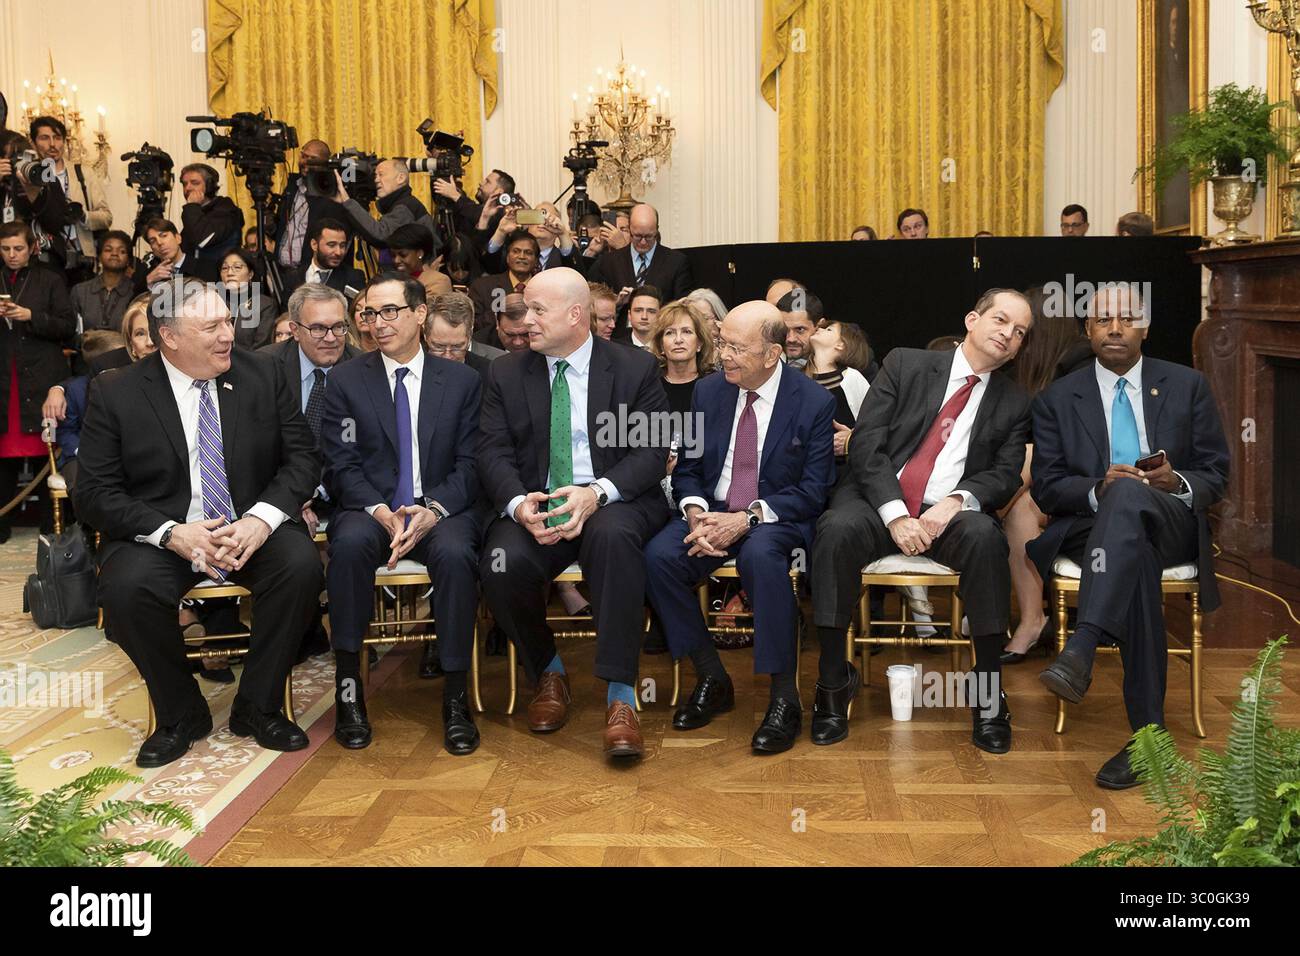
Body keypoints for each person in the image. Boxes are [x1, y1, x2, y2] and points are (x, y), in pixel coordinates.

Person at [74, 277, 323, 767]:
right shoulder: (117, 391)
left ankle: (258, 704)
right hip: (163, 534)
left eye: (228, 321)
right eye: (211, 326)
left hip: (248, 525)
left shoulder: (263, 374)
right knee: (124, 590)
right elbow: (95, 494)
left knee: (300, 568)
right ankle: (181, 712)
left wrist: (260, 520)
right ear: (169, 336)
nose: (228, 334)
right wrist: (171, 534)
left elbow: (303, 461)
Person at [810, 289, 1034, 752]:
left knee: (985, 538)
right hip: (879, 500)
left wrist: (957, 500)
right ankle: (833, 682)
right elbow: (867, 445)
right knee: (835, 530)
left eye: (1019, 332)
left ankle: (988, 692)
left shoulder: (1014, 400)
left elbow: (1004, 474)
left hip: (946, 512)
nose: (1008, 334)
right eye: (1000, 319)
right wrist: (894, 515)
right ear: (972, 320)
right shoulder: (906, 364)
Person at [1031, 285, 1229, 789]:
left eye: (1126, 319)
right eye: (1102, 320)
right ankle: (1150, 739)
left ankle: (1085, 641)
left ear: (1144, 328)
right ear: (1087, 331)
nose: (1114, 328)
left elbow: (1216, 473)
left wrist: (1176, 482)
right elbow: (1050, 486)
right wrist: (1100, 488)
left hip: (1171, 523)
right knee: (1126, 525)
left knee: (1132, 504)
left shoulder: (1188, 385)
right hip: (1091, 528)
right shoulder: (1058, 396)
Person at [477, 267, 671, 759]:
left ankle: (621, 693)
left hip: (613, 499)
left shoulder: (634, 369)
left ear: (576, 315)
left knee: (613, 540)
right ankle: (548, 671)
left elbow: (650, 453)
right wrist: (520, 506)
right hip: (537, 501)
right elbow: (491, 452)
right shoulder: (505, 370)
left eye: (538, 310)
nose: (527, 320)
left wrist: (596, 493)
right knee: (500, 562)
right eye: (525, 308)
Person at [645, 301, 836, 752]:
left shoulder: (813, 402)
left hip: (773, 516)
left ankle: (784, 697)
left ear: (772, 354)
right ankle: (712, 675)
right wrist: (694, 512)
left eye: (736, 347)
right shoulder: (709, 392)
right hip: (711, 509)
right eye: (722, 342)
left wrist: (746, 518)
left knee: (761, 556)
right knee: (657, 557)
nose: (722, 355)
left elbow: (813, 492)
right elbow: (688, 467)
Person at [321, 272, 484, 755]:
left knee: (457, 555)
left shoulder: (462, 381)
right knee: (347, 546)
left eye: (390, 311)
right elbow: (340, 462)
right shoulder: (348, 380)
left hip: (441, 509)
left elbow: (472, 464)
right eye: (371, 313)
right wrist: (379, 509)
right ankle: (349, 688)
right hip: (370, 507)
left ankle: (455, 696)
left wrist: (432, 510)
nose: (378, 323)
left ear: (419, 314)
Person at [998, 288, 1093, 663]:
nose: (1011, 334)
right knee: (1016, 504)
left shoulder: (1081, 364)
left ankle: (987, 513)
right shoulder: (1015, 372)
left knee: (1009, 495)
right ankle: (1030, 618)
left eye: (1021, 328)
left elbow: (1064, 447)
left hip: (1079, 480)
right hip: (1035, 484)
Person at [0, 221, 77, 541]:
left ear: (32, 247)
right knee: (3, 456)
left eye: (18, 248)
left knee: (49, 451)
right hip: (5, 375)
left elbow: (68, 325)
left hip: (43, 375)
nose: (12, 255)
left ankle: (53, 525)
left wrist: (31, 316)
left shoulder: (50, 279)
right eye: (5, 249)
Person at [29, 116, 112, 285]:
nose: (52, 144)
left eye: (58, 138)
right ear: (33, 143)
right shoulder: (29, 177)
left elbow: (106, 217)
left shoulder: (83, 173)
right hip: (44, 260)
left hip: (82, 259)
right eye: (44, 138)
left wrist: (82, 216)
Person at [586, 203, 693, 308]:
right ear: (630, 229)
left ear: (656, 230)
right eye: (637, 236)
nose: (643, 242)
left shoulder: (676, 262)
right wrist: (616, 303)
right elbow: (591, 301)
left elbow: (682, 308)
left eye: (649, 236)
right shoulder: (608, 262)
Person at [274, 140, 351, 273]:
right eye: (304, 156)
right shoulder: (292, 186)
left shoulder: (332, 194)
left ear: (326, 163)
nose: (306, 162)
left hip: (312, 273)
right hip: (282, 272)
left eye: (313, 159)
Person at [805, 318, 871, 467]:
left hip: (845, 469)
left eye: (828, 330)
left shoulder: (852, 377)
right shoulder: (798, 378)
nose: (819, 329)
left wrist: (852, 438)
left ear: (840, 345)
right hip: (807, 466)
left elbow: (874, 422)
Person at [0, 131, 70, 269]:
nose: (18, 164)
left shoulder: (44, 177)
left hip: (44, 262)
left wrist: (35, 193)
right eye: (12, 158)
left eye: (23, 157)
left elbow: (56, 224)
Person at [335, 159, 435, 251]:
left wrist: (347, 201)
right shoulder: (399, 204)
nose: (376, 180)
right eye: (375, 176)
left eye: (381, 175)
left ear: (401, 178)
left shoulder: (406, 206)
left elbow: (381, 235)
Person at [468, 229, 539, 330]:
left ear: (536, 260)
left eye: (528, 253)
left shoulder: (544, 289)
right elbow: (471, 325)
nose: (522, 256)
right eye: (516, 251)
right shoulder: (483, 286)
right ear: (507, 257)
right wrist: (501, 311)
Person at [282, 218, 366, 300]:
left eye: (342, 245)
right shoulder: (293, 277)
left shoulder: (353, 277)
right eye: (331, 245)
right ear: (314, 244)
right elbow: (286, 312)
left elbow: (357, 310)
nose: (339, 252)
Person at [179, 163, 244, 266]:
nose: (187, 188)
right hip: (195, 279)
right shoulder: (195, 213)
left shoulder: (226, 210)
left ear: (209, 186)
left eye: (194, 183)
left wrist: (192, 206)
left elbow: (202, 239)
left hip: (221, 278)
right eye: (184, 184)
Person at [71, 230, 134, 332]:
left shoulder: (134, 293)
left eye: (121, 251)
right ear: (99, 256)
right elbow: (70, 331)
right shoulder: (80, 291)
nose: (114, 254)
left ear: (128, 260)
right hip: (86, 347)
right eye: (108, 250)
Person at [135, 218, 220, 292]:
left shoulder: (205, 267)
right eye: (153, 241)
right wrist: (149, 281)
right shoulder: (149, 275)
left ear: (178, 238)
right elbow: (133, 307)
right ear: (152, 248)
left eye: (164, 236)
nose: (159, 243)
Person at [218, 250, 280, 349]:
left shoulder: (265, 305)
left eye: (237, 267)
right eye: (224, 268)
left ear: (250, 274)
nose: (229, 273)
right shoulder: (215, 303)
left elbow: (262, 347)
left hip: (251, 362)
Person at [387, 223, 451, 300]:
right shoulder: (392, 281)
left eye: (403, 255)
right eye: (393, 255)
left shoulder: (438, 281)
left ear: (420, 253)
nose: (396, 260)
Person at [774, 287, 819, 368]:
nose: (791, 339)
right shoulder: (763, 367)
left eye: (800, 329)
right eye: (784, 330)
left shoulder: (844, 376)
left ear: (819, 327)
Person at [614, 284, 662, 349]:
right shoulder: (615, 348)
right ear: (629, 315)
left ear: (660, 316)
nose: (644, 316)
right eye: (638, 310)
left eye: (651, 311)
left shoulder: (666, 349)